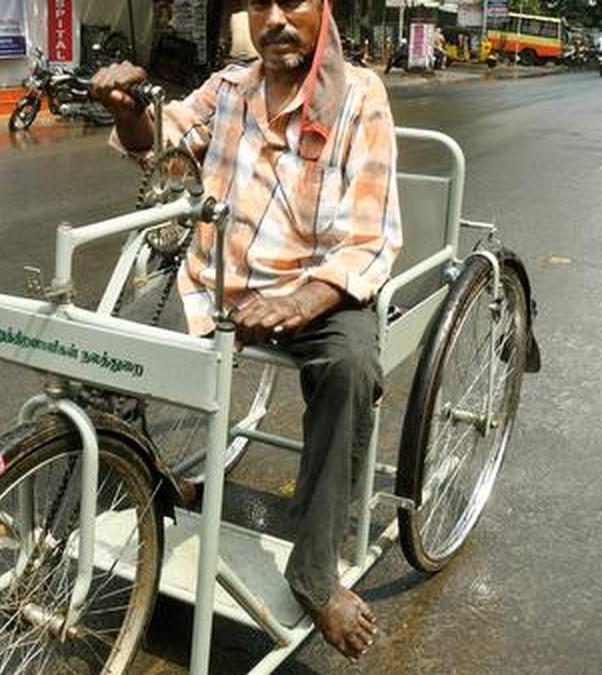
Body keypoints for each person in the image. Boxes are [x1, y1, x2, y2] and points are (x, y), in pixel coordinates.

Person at [92, 0, 400, 662]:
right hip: (217, 282)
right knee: (108, 351)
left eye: (293, 1)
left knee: (349, 369)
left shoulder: (360, 97)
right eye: (261, 3)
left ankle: (316, 574)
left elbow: (371, 236)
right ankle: (156, 487)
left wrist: (308, 297)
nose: (276, 18)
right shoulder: (230, 87)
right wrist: (125, 111)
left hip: (320, 288)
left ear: (324, 9)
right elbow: (164, 142)